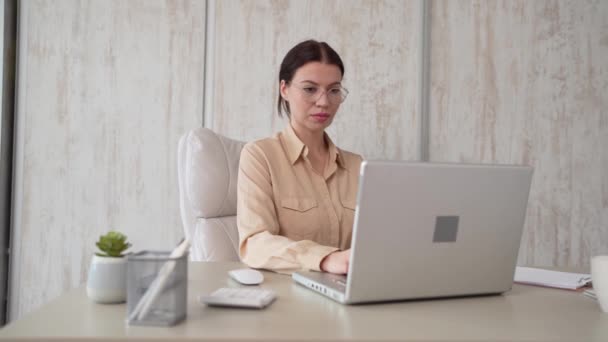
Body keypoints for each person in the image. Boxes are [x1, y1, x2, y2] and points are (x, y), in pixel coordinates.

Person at [237, 40, 363, 275]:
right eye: (310, 89)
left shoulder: (358, 166)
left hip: (349, 296)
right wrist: (326, 259)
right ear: (284, 89)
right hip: (286, 297)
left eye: (334, 90)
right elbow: (254, 244)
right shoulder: (260, 156)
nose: (324, 101)